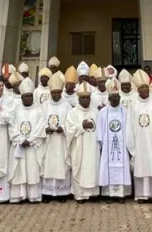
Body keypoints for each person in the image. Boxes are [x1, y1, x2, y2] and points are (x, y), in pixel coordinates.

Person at [8, 76, 46, 203]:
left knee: (32, 169)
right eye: (25, 96)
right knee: (19, 169)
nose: (28, 98)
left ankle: (33, 196)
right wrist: (20, 139)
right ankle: (19, 195)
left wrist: (30, 140)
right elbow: (12, 127)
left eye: (30, 95)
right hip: (20, 145)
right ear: (22, 97)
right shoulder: (16, 110)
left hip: (32, 146)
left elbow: (41, 127)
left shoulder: (39, 110)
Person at [126, 69, 152, 202]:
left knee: (151, 166)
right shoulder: (133, 105)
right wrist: (132, 145)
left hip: (151, 141)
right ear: (137, 90)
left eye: (146, 87)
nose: (144, 90)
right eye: (142, 88)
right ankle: (141, 195)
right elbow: (129, 125)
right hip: (139, 142)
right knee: (140, 168)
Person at [97, 78, 132, 202]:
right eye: (113, 98)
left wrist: (129, 145)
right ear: (109, 98)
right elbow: (99, 130)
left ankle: (121, 194)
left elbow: (129, 130)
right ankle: (109, 194)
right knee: (108, 166)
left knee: (122, 165)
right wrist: (101, 144)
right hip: (108, 146)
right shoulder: (103, 112)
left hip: (122, 146)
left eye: (117, 97)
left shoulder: (125, 112)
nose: (115, 100)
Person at [65, 82, 100, 203]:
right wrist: (81, 125)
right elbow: (69, 129)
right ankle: (80, 195)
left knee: (93, 167)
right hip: (79, 147)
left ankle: (93, 193)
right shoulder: (73, 112)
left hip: (93, 146)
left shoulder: (95, 111)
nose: (85, 100)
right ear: (78, 98)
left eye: (87, 97)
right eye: (83, 98)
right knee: (79, 168)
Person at [41, 71, 73, 201]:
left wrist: (63, 128)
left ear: (61, 92)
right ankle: (47, 193)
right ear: (50, 93)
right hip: (48, 142)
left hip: (61, 141)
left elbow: (70, 123)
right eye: (54, 93)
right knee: (48, 164)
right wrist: (45, 129)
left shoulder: (67, 106)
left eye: (58, 93)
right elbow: (39, 123)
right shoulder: (44, 106)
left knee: (60, 165)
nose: (56, 95)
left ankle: (61, 193)